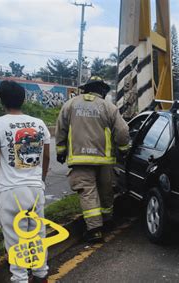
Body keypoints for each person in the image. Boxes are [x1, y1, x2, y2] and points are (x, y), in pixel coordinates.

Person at [0, 80, 51, 283]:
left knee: (15, 239)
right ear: (23, 99)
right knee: (37, 234)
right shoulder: (38, 123)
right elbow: (46, 156)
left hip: (11, 191)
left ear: (2, 100)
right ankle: (40, 275)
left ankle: (20, 278)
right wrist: (42, 178)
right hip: (35, 189)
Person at [55, 76, 130, 243]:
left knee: (87, 192)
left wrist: (61, 150)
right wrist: (123, 150)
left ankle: (95, 230)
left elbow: (61, 129)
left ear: (86, 88)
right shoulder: (109, 107)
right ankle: (107, 221)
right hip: (104, 160)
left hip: (80, 160)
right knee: (106, 192)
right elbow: (123, 131)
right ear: (102, 91)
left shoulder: (70, 105)